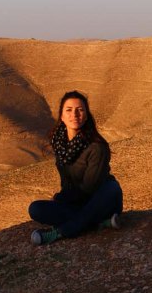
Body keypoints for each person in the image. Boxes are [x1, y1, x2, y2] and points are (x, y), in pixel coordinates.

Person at [28, 90, 123, 245]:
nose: (75, 114)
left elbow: (89, 188)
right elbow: (67, 184)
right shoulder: (60, 145)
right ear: (62, 116)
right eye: (69, 110)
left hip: (101, 201)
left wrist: (62, 198)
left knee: (111, 188)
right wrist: (61, 199)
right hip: (77, 204)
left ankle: (60, 232)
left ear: (86, 116)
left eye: (80, 110)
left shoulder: (97, 147)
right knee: (35, 209)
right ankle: (98, 223)